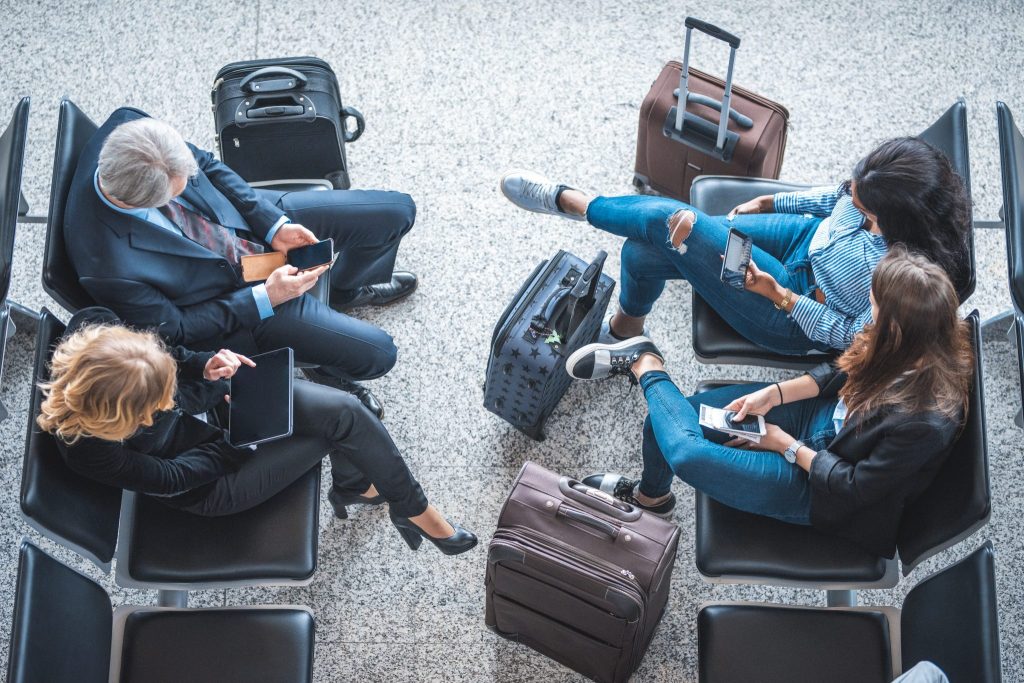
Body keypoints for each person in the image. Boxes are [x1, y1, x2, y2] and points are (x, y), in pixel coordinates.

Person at [567, 247, 972, 558]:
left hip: (825, 488)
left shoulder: (926, 422)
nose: (868, 313)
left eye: (874, 307)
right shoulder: (911, 342)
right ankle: (652, 499)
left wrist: (783, 444)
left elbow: (855, 488)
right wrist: (775, 394)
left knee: (687, 453)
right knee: (669, 419)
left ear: (897, 331)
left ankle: (645, 363)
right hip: (826, 421)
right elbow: (841, 369)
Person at [65, 107, 421, 417]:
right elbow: (178, 328)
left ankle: (344, 289)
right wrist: (267, 297)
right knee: (380, 355)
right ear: (144, 204)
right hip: (238, 297)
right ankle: (325, 368)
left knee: (398, 211)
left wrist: (272, 223)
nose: (189, 183)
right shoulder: (107, 266)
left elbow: (204, 165)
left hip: (248, 223)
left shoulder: (131, 127)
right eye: (179, 191)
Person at [37, 307, 476, 557]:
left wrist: (203, 364)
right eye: (157, 405)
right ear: (123, 416)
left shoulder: (98, 329)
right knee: (336, 431)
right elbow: (173, 479)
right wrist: (240, 444)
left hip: (220, 409)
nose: (166, 402)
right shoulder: (89, 449)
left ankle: (401, 503)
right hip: (211, 480)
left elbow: (175, 354)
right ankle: (360, 489)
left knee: (347, 409)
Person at [499, 136, 971, 355]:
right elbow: (836, 195)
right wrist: (773, 201)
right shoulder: (881, 189)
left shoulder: (908, 280)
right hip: (805, 239)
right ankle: (625, 332)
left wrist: (779, 295)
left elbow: (854, 337)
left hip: (795, 306)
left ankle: (570, 201)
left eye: (867, 215)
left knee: (672, 220)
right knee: (642, 250)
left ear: (898, 224)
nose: (855, 205)